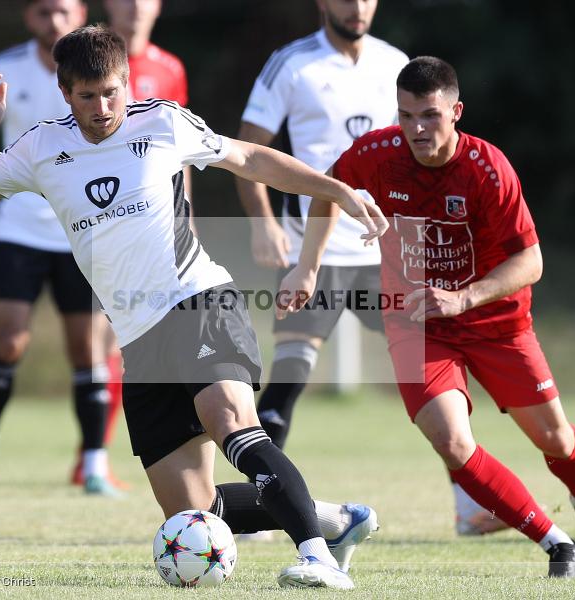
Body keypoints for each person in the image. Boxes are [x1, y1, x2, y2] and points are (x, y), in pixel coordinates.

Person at [0, 25, 390, 589]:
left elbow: (248, 157)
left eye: (112, 92)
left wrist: (336, 190)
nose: (102, 108)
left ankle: (317, 556)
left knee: (230, 422)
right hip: (138, 337)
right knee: (192, 519)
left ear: (126, 82)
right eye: (86, 96)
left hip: (198, 299)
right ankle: (332, 519)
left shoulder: (164, 121)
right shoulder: (39, 148)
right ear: (64, 92)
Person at [278, 56, 575, 577]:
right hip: (416, 325)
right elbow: (328, 193)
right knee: (451, 440)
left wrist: (465, 297)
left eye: (430, 115)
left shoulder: (487, 169)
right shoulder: (377, 153)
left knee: (555, 440)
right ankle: (556, 543)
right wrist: (307, 268)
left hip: (496, 323)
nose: (417, 129)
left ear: (456, 111)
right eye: (406, 116)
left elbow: (530, 261)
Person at [236, 0, 502, 535]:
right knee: (289, 375)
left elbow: (425, 154)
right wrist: (261, 223)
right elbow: (249, 150)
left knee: (434, 376)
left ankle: (470, 505)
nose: (356, 7)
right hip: (316, 249)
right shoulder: (291, 65)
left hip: (387, 253)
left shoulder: (394, 64)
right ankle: (264, 508)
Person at [0, 0, 123, 497]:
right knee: (8, 342)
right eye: (44, 12)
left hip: (83, 230)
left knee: (87, 350)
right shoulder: (6, 70)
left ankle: (93, 465)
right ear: (30, 18)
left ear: (81, 13)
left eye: (63, 11)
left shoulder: (101, 76)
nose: (54, 22)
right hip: (18, 229)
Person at [68, 0, 191, 487]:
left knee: (134, 341)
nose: (134, 8)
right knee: (100, 341)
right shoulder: (84, 66)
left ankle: (101, 453)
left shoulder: (169, 69)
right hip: (95, 227)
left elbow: (182, 152)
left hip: (153, 230)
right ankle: (94, 453)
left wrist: (190, 219)